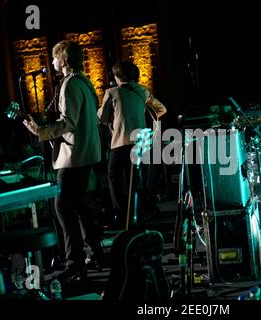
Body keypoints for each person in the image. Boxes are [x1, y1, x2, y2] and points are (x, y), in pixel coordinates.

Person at [23, 40, 103, 280]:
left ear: (64, 60)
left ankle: (75, 262)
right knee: (78, 203)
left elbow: (69, 122)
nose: (52, 62)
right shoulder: (85, 82)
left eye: (54, 57)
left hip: (74, 157)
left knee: (63, 206)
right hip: (87, 152)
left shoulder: (69, 85)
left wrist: (41, 131)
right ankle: (95, 250)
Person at [97, 61, 167, 229]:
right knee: (136, 179)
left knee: (113, 176)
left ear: (117, 76)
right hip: (141, 142)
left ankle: (121, 213)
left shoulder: (111, 92)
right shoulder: (142, 90)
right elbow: (161, 110)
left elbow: (101, 118)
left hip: (121, 141)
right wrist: (155, 131)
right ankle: (141, 212)